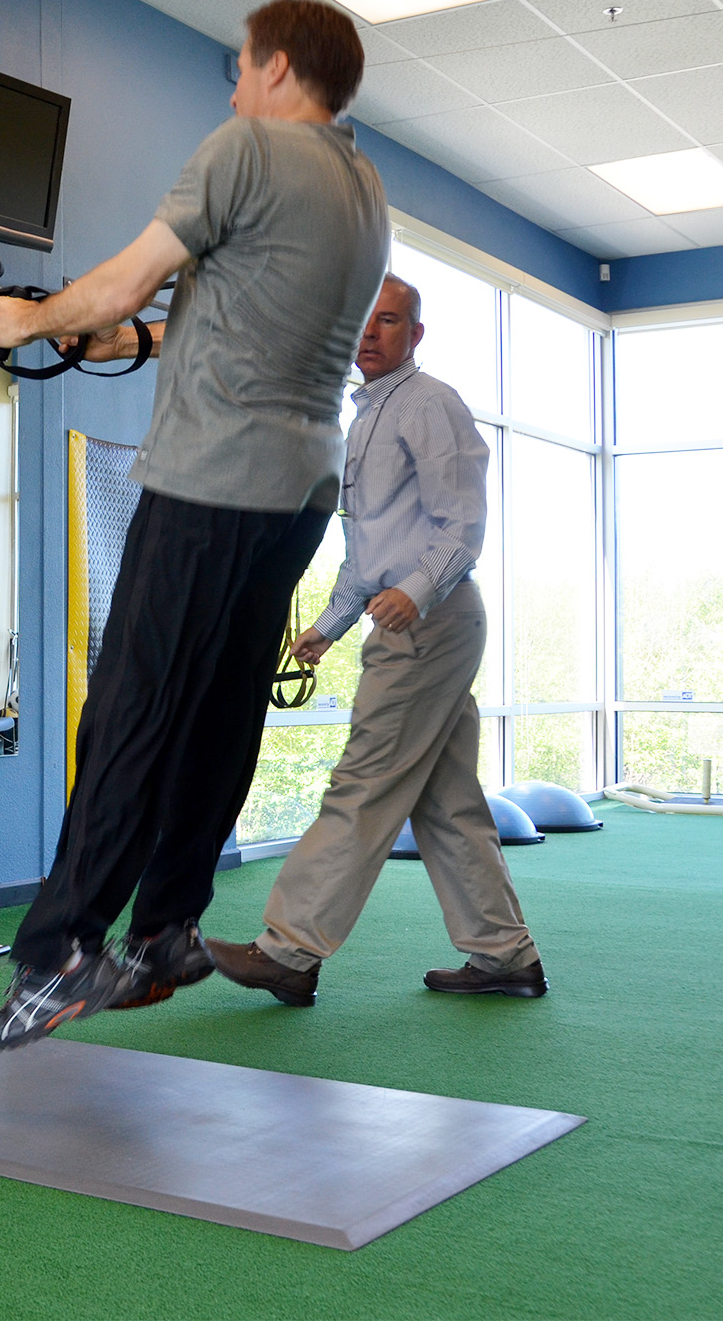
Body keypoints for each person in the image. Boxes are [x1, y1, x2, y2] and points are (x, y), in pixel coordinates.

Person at [0, 0, 391, 1049]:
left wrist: (33, 318)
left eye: (243, 69)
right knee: (216, 713)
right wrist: (145, 344)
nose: (235, 87)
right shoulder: (362, 186)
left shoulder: (246, 146)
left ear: (280, 68)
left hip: (209, 481)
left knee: (130, 710)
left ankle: (64, 947)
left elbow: (118, 277)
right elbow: (260, 318)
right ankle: (167, 930)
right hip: (298, 493)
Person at [206, 275, 547, 1006]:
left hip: (430, 622)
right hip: (415, 618)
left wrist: (413, 590)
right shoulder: (365, 417)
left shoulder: (430, 405)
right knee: (447, 800)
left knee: (361, 782)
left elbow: (463, 522)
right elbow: (369, 549)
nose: (370, 335)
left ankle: (289, 951)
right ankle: (503, 955)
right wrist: (327, 628)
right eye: (360, 323)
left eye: (387, 322)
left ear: (414, 334)